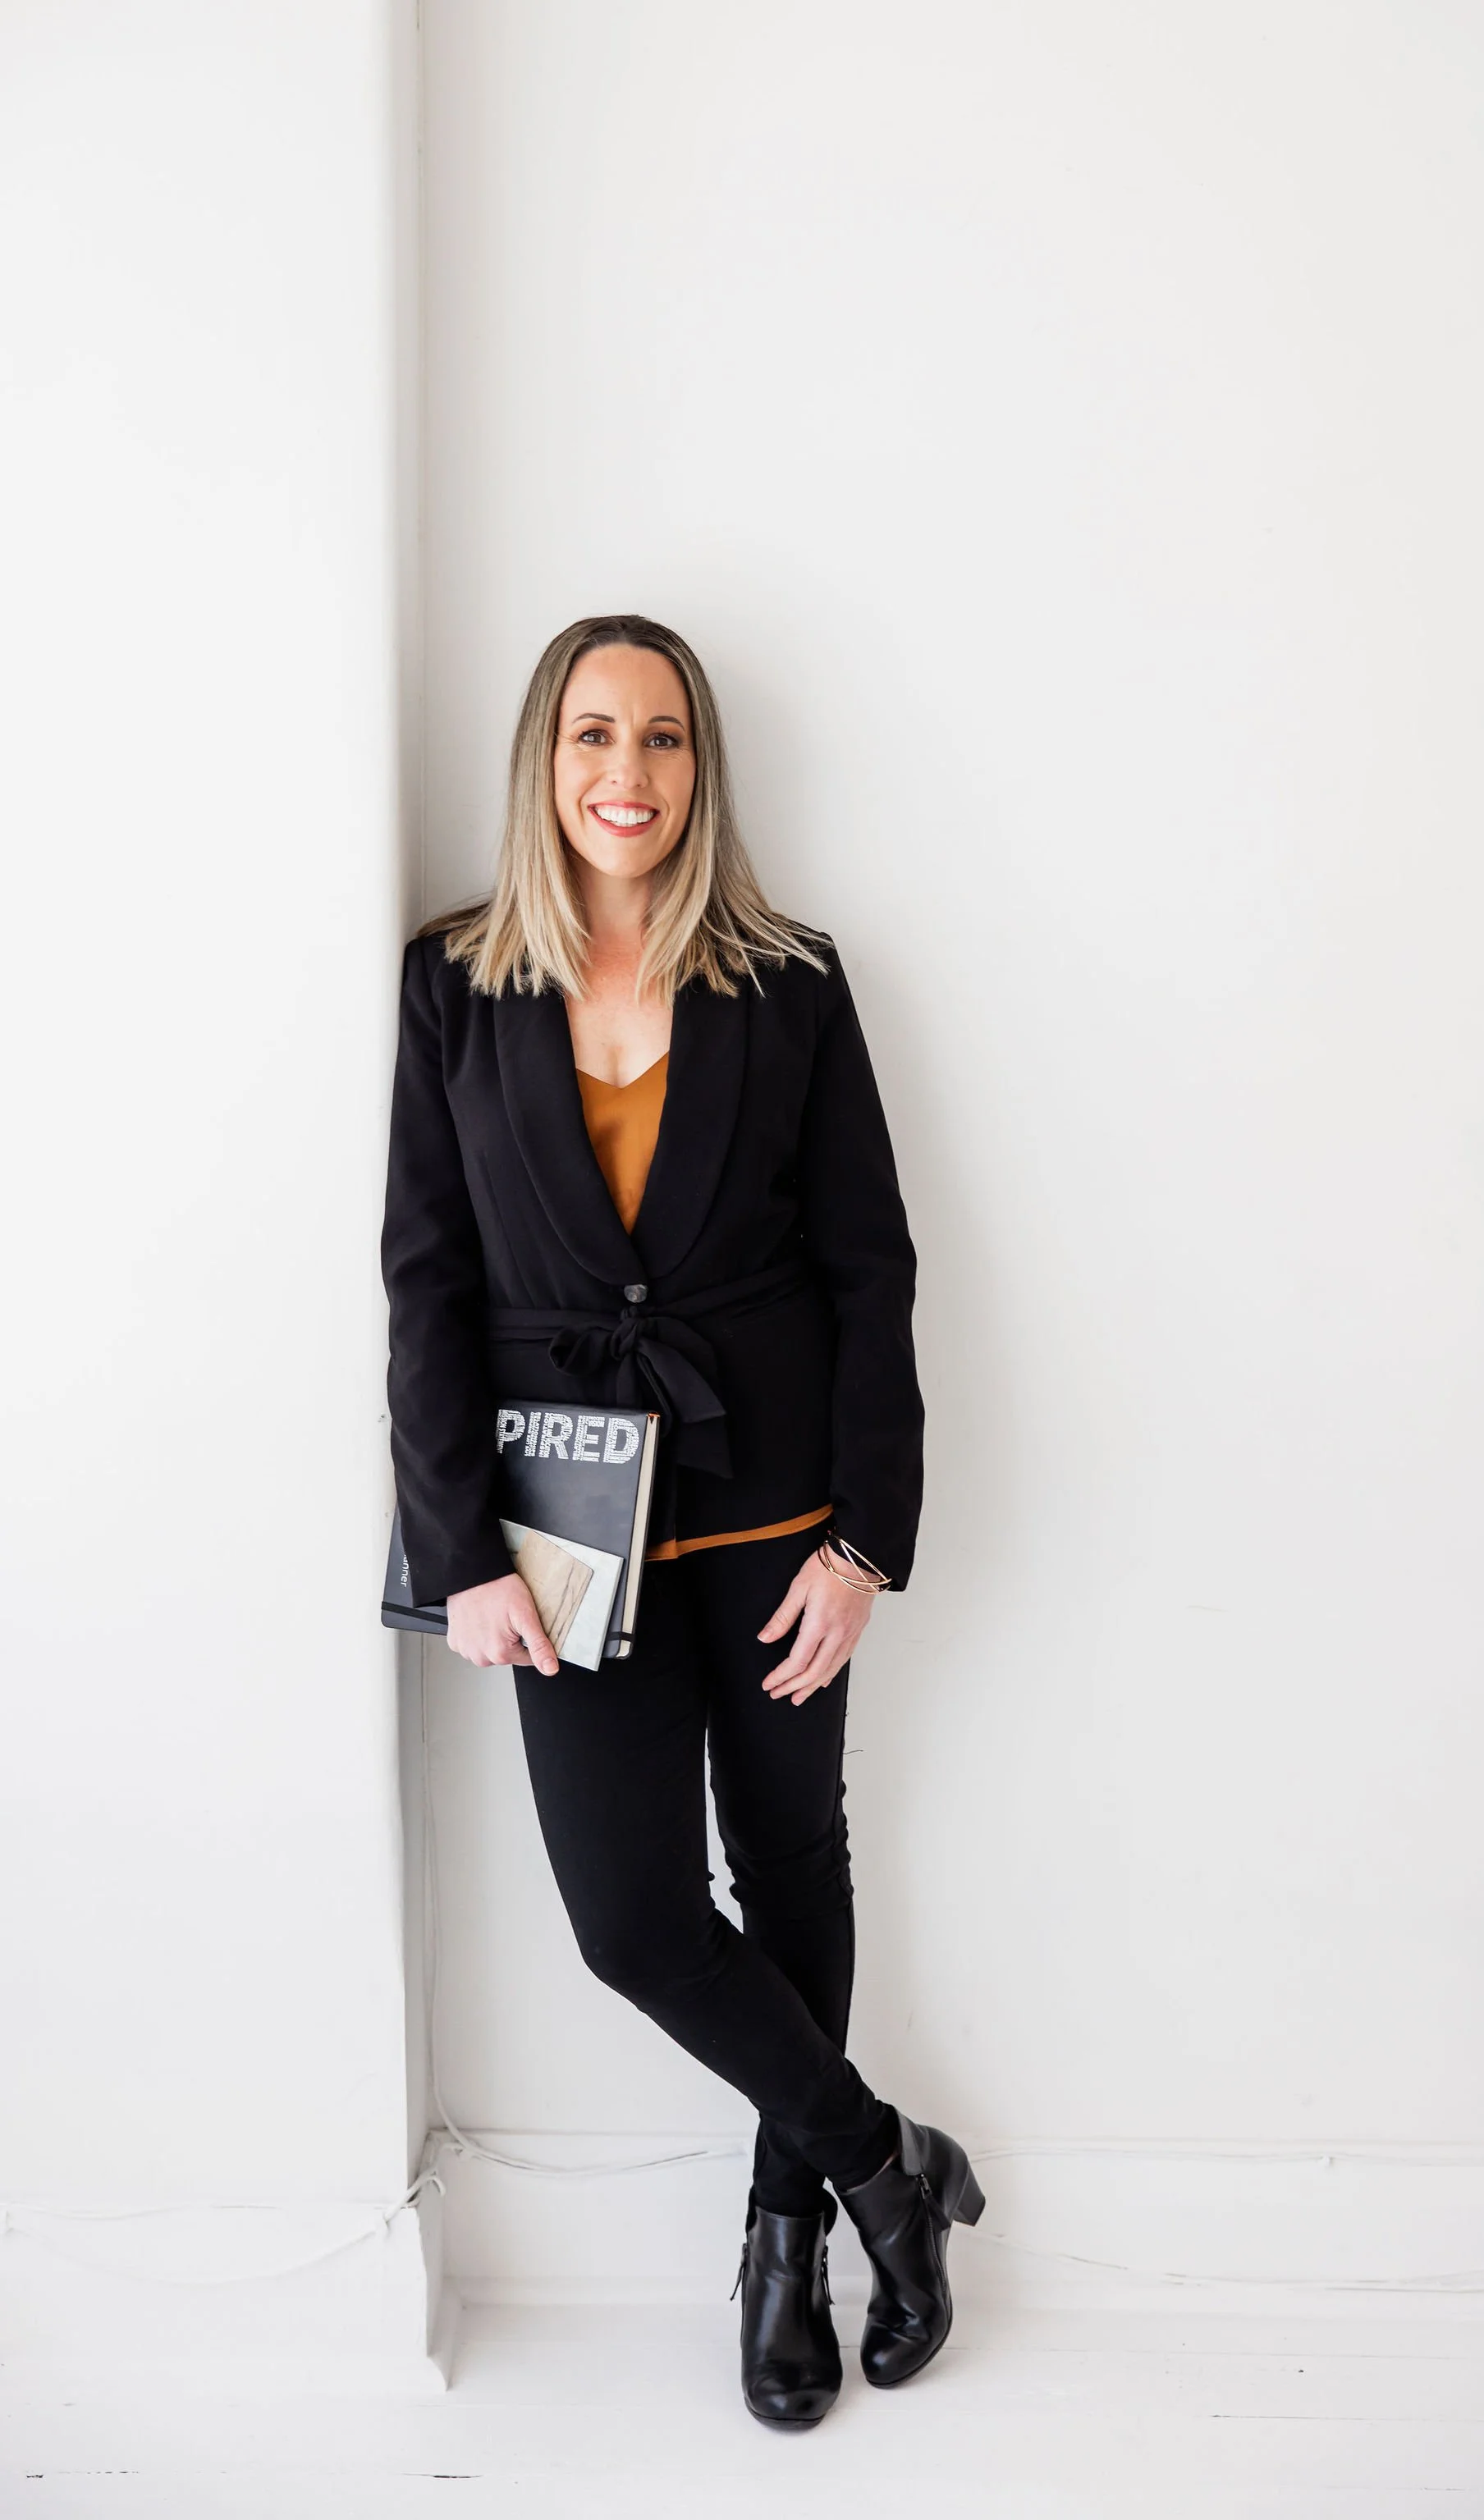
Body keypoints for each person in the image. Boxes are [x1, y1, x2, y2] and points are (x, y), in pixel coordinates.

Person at [381, 614, 982, 2428]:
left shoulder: (789, 980)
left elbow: (871, 1269)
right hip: (563, 1540)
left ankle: (785, 2233)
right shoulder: (454, 982)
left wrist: (867, 1535)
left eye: (658, 738)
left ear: (699, 766)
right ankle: (885, 2157)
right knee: (633, 1915)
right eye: (590, 735)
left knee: (790, 1862)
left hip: (780, 1519)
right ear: (541, 761)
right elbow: (424, 1278)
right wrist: (457, 1547)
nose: (623, 773)